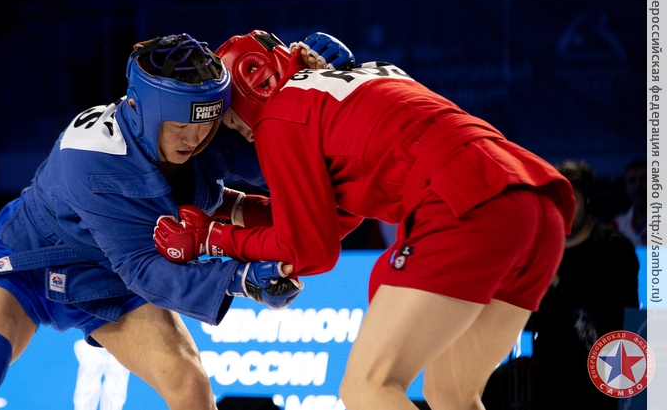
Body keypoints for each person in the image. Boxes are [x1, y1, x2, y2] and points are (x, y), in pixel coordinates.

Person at [153, 30, 576, 410]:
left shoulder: (280, 116)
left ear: (253, 82)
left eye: (232, 119)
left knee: (368, 388)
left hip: (466, 204)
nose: (240, 132)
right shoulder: (367, 74)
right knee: (451, 394)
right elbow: (335, 221)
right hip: (535, 202)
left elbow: (309, 252)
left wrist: (212, 239)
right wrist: (232, 213)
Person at [0, 33, 321, 410]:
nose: (194, 139)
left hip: (107, 274)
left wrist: (320, 86)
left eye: (206, 124)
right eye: (180, 126)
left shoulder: (203, 132)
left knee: (189, 383)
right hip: (30, 260)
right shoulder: (92, 159)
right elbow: (144, 268)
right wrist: (242, 279)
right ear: (139, 108)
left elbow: (295, 165)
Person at [527, 160, 639, 410]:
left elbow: (608, 311)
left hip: (602, 376)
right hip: (550, 378)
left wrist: (558, 282)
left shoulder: (613, 247)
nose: (563, 209)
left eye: (571, 200)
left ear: (587, 201)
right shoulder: (544, 248)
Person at [611, 158, 646, 246]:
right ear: (626, 186)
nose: (638, 186)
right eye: (632, 181)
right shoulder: (618, 225)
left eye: (644, 180)